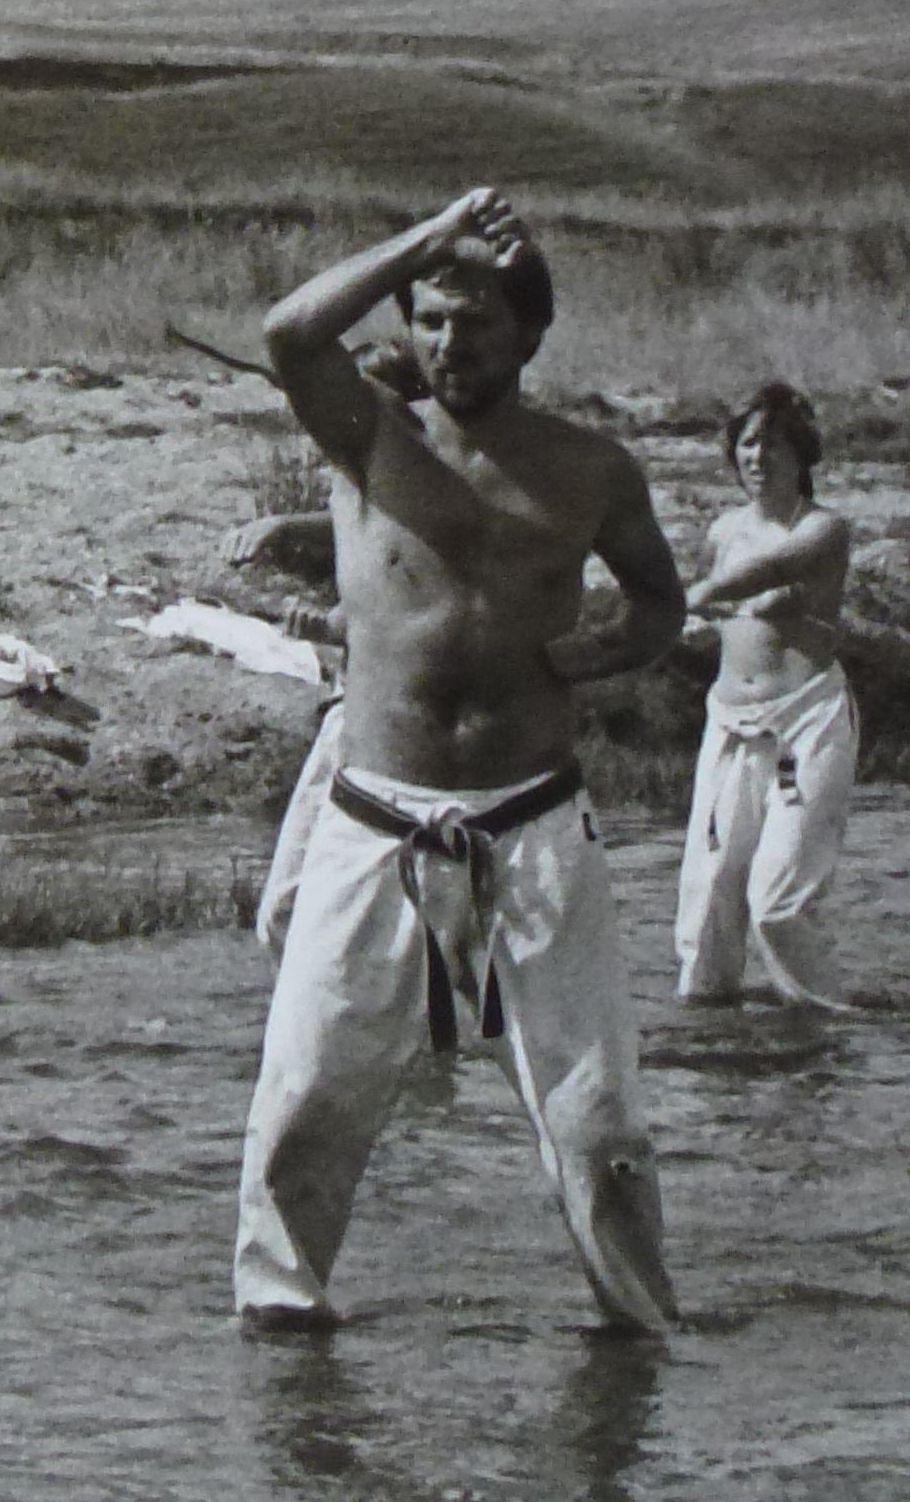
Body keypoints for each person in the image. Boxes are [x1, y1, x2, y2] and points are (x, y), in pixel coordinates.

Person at [233, 190, 685, 1333]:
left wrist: (604, 653)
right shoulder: (370, 435)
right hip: (374, 820)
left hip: (532, 825)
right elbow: (289, 335)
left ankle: (636, 1334)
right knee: (305, 1105)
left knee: (596, 1119)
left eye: (477, 322)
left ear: (531, 335)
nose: (451, 344)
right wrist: (426, 237)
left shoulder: (590, 469)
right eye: (430, 319)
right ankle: (284, 1334)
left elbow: (658, 599)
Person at [674, 380, 855, 1008]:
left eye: (775, 444)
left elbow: (770, 570)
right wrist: (705, 609)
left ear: (802, 454)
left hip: (804, 720)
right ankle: (712, 1036)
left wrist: (700, 596)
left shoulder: (826, 528)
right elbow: (722, 598)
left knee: (777, 904)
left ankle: (828, 1023)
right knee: (708, 898)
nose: (759, 457)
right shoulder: (724, 530)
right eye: (749, 444)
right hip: (729, 721)